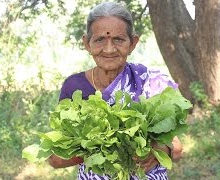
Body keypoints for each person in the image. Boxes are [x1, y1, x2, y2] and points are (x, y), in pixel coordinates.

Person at [48, 2, 183, 179]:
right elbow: (55, 159)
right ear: (87, 43)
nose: (109, 49)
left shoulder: (150, 82)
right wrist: (102, 145)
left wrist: (160, 149)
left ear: (133, 43)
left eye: (118, 39)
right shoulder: (74, 87)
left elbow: (178, 149)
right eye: (100, 39)